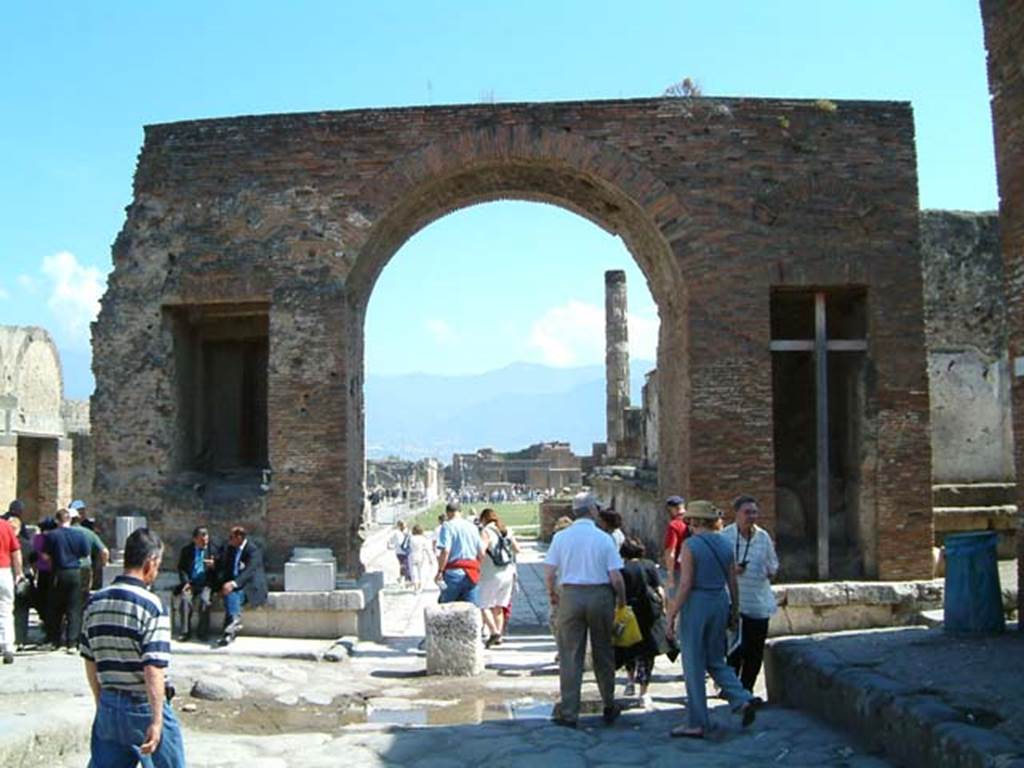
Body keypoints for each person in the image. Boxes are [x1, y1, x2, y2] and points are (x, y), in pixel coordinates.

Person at [80, 527, 186, 767]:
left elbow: (89, 659)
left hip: (108, 703)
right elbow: (153, 669)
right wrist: (157, 721)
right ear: (150, 563)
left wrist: (101, 701)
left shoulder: (95, 602)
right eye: (157, 566)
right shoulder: (151, 606)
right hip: (142, 705)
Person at [665, 500, 758, 739]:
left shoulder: (690, 546)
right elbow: (732, 581)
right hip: (720, 600)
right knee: (716, 659)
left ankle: (697, 722)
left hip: (697, 603)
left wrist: (672, 613)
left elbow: (685, 584)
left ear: (694, 521)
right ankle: (742, 698)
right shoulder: (726, 544)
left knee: (694, 663)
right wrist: (735, 609)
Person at [544, 492, 626, 729]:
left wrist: (552, 593)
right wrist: (621, 602)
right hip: (600, 595)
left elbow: (549, 572)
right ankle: (609, 704)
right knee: (603, 652)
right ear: (593, 510)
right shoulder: (604, 539)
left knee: (570, 655)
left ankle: (570, 712)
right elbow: (616, 577)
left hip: (570, 594)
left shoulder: (561, 537)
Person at [721, 495, 779, 692]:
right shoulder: (725, 537)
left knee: (755, 652)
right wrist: (731, 570)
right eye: (747, 512)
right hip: (735, 603)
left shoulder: (763, 537)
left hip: (759, 604)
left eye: (754, 512)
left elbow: (773, 563)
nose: (751, 516)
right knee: (734, 650)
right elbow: (716, 568)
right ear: (736, 514)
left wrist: (771, 570)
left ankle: (747, 690)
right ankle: (731, 689)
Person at [616, 537, 677, 709]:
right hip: (649, 614)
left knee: (629, 648)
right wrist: (664, 611)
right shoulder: (649, 565)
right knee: (646, 653)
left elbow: (618, 591)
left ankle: (629, 681)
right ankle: (644, 692)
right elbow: (659, 589)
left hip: (630, 613)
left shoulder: (621, 568)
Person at [44, 508, 91, 650]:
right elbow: (85, 553)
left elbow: (45, 556)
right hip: (75, 572)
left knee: (55, 607)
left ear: (57, 520)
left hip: (58, 572)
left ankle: (55, 640)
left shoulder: (51, 536)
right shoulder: (79, 535)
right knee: (74, 607)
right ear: (69, 520)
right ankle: (72, 642)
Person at [217, 526, 268, 646]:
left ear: (239, 537)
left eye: (231, 537)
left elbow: (249, 571)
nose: (229, 540)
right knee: (231, 595)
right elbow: (225, 569)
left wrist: (233, 584)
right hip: (235, 585)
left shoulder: (253, 550)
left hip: (249, 585)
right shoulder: (231, 549)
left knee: (232, 594)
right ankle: (233, 624)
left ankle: (229, 631)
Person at [478, 508, 520, 647]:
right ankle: (499, 636)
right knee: (499, 606)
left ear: (484, 519)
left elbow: (481, 551)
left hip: (491, 573)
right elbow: (517, 549)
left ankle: (494, 632)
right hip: (508, 572)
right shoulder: (506, 530)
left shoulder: (486, 531)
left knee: (484, 604)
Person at [434, 502, 485, 604]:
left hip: (454, 572)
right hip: (472, 573)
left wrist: (440, 571)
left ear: (448, 513)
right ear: (460, 512)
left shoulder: (447, 526)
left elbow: (445, 551)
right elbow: (481, 552)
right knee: (472, 609)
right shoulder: (472, 527)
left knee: (447, 607)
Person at [174, 526, 216, 642]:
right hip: (191, 583)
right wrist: (186, 582)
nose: (204, 542)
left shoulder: (213, 550)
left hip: (205, 583)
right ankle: (185, 632)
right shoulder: (187, 551)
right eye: (201, 540)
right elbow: (181, 568)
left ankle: (202, 632)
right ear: (195, 539)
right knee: (185, 600)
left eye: (206, 539)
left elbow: (222, 567)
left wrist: (214, 566)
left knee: (205, 601)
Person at [72, 514, 110, 630]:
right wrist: (104, 564)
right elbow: (104, 551)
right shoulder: (88, 533)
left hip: (67, 568)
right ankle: (82, 625)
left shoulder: (62, 532)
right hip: (85, 568)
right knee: (83, 597)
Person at [0, 514, 25, 663]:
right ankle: (8, 646)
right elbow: (16, 552)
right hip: (3, 572)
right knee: (6, 610)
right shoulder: (5, 526)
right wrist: (19, 573)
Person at [10, 515, 34, 650]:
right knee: (22, 610)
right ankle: (20, 639)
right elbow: (34, 561)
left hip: (7, 576)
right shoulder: (26, 543)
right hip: (23, 578)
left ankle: (7, 638)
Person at [662, 496, 689, 596]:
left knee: (674, 600)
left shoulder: (674, 525)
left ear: (671, 509)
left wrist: (670, 575)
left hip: (679, 569)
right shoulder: (691, 522)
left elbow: (671, 552)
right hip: (694, 567)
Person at [408, 524, 435, 593]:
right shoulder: (423, 539)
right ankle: (420, 586)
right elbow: (428, 550)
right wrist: (431, 559)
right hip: (421, 556)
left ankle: (415, 586)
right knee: (421, 571)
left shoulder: (411, 538)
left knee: (413, 572)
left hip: (412, 555)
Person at [387, 521, 413, 586]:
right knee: (405, 565)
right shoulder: (405, 532)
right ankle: (408, 579)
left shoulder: (399, 533)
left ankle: (402, 578)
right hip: (403, 551)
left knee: (404, 565)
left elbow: (390, 541)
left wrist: (390, 545)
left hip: (402, 551)